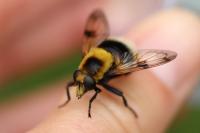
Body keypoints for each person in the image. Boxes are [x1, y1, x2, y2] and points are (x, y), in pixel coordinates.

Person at [0, 1, 200, 133]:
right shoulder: (85, 68)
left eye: (83, 81)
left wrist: (91, 104)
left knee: (122, 88)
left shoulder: (112, 72)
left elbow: (119, 89)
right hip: (104, 48)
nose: (80, 83)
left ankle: (129, 106)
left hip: (123, 53)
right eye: (80, 77)